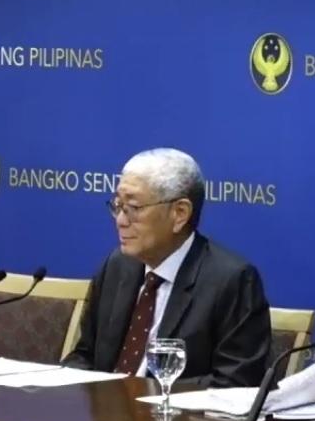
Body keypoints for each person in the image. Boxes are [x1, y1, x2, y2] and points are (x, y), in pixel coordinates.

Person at [63, 148, 271, 387]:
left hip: (176, 420)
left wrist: (141, 397)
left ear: (179, 213)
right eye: (117, 205)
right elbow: (86, 356)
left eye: (133, 207)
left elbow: (236, 383)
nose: (120, 220)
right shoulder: (117, 266)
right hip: (106, 417)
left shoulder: (231, 280)